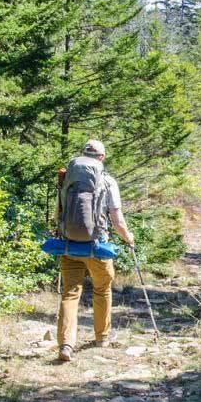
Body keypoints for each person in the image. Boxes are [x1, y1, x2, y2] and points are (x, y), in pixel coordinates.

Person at [55, 139, 134, 363]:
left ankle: (66, 344)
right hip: (97, 246)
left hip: (69, 244)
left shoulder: (67, 179)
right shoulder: (108, 181)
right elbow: (117, 219)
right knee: (102, 289)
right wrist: (128, 238)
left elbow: (58, 212)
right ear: (102, 157)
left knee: (70, 293)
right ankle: (102, 338)